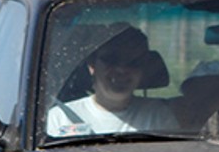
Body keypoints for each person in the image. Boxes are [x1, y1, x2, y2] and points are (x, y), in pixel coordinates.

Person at [46, 25, 177, 138]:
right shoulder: (61, 117)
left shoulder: (158, 115)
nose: (122, 69)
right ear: (92, 65)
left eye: (133, 62)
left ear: (143, 69)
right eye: (111, 60)